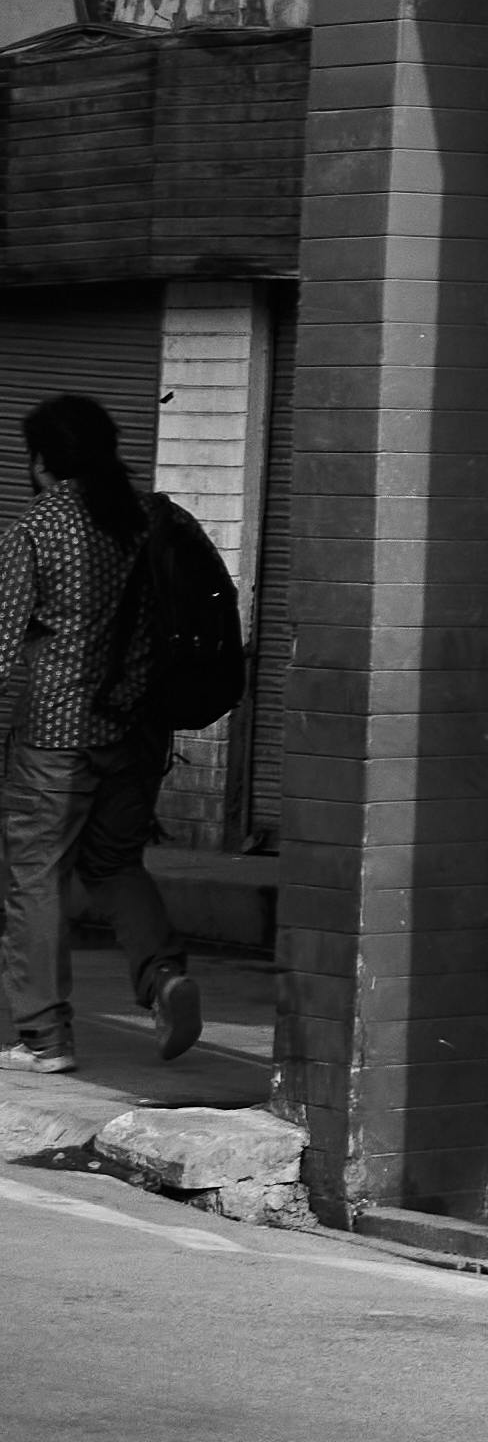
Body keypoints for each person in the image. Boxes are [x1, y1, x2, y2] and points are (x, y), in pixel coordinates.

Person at [0, 390, 174, 1073]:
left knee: (34, 877)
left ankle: (44, 1035)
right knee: (115, 863)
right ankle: (163, 977)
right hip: (129, 734)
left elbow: (2, 643)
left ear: (42, 461)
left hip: (53, 737)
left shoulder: (36, 530)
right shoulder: (138, 526)